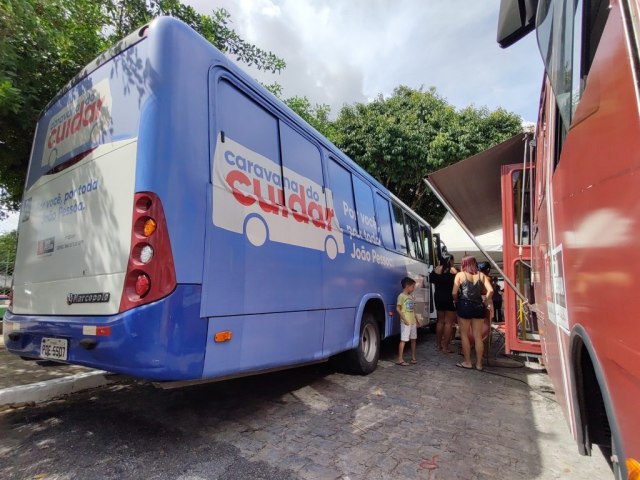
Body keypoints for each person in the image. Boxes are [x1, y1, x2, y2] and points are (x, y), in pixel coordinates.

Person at [452, 256, 493, 371]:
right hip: (478, 306)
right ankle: (479, 364)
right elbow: (491, 290)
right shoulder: (482, 275)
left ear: (464, 264)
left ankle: (468, 362)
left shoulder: (460, 275)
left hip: (464, 305)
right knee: (478, 336)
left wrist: (456, 300)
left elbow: (454, 292)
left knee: (464, 335)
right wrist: (485, 302)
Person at [429, 254, 457, 353]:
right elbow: (457, 284)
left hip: (438, 297)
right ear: (450, 261)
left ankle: (438, 345)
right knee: (448, 323)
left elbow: (431, 280)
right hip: (449, 297)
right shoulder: (453, 270)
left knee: (440, 321)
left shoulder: (436, 269)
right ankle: (445, 347)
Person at [396, 276, 417, 366]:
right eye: (413, 287)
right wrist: (404, 319)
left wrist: (417, 320)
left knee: (413, 339)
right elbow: (398, 308)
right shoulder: (401, 296)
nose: (413, 289)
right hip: (406, 322)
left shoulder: (410, 296)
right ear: (407, 286)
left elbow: (413, 310)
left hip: (412, 322)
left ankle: (413, 357)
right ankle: (400, 359)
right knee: (403, 340)